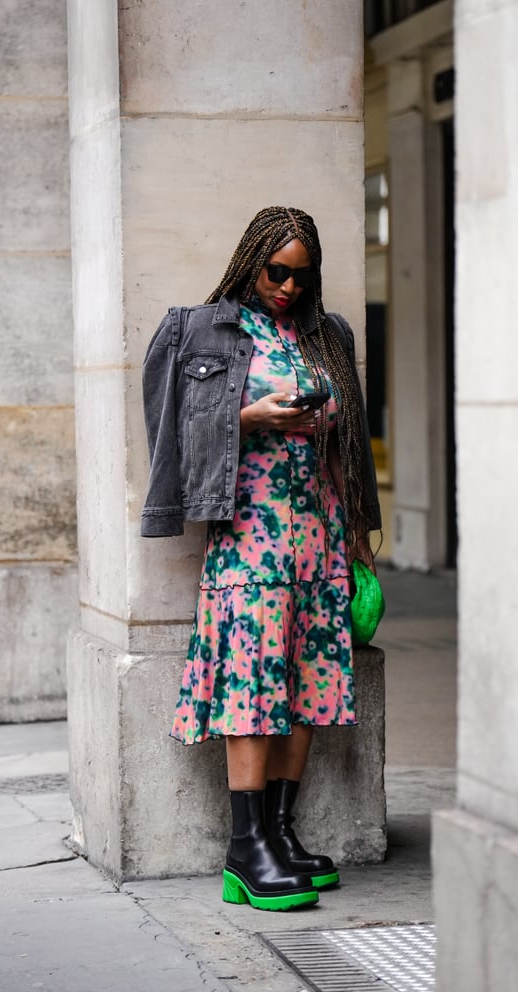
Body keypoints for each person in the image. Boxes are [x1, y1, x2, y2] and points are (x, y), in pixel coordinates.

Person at [141, 206, 381, 912]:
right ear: (251, 259)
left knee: (305, 683)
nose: (287, 287)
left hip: (317, 534)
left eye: (301, 277)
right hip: (249, 534)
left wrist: (355, 530)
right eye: (277, 272)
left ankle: (278, 832)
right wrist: (248, 418)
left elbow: (348, 442)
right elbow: (167, 434)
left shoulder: (325, 336)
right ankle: (244, 850)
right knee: (251, 684)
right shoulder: (200, 328)